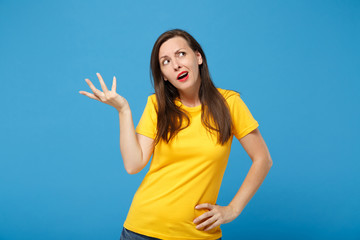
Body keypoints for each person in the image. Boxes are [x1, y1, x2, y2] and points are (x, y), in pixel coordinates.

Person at [79, 29, 272, 240]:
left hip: (197, 234)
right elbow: (133, 165)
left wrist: (233, 210)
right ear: (164, 75)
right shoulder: (157, 106)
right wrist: (123, 110)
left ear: (198, 57)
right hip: (142, 230)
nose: (176, 64)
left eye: (181, 54)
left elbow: (263, 159)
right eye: (166, 61)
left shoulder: (229, 104)